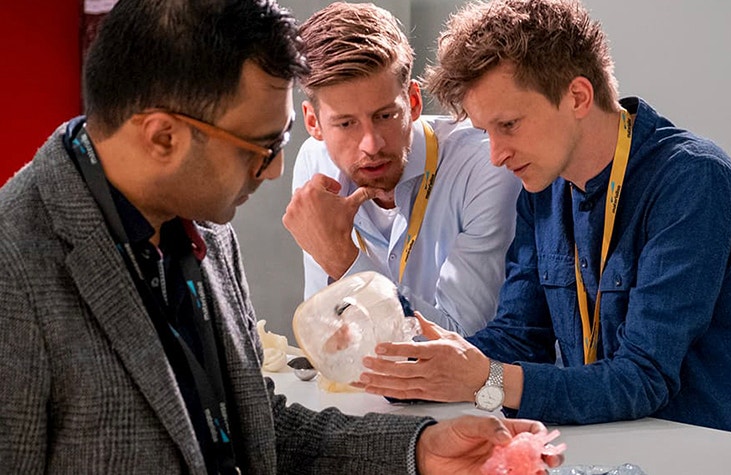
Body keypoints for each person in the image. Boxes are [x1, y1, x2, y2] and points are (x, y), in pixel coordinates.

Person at [0, 0, 564, 473]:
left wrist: (414, 450)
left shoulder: (204, 231)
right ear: (163, 138)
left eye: (284, 141)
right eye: (260, 148)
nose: (275, 171)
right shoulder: (14, 267)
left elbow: (256, 419)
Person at [358, 0, 731, 437]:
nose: (496, 156)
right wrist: (424, 370)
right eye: (486, 132)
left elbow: (642, 379)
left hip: (711, 454)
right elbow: (519, 337)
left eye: (509, 125)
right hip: (605, 444)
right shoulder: (543, 187)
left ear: (578, 97)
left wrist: (483, 378)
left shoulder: (694, 182)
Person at [282, 2, 521, 336]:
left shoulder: (485, 167)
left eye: (385, 116)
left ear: (413, 102)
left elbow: (464, 344)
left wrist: (345, 262)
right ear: (313, 122)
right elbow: (329, 334)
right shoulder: (314, 163)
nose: (372, 144)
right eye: (346, 124)